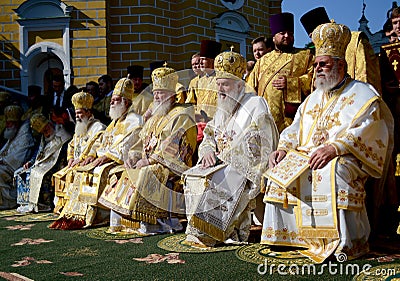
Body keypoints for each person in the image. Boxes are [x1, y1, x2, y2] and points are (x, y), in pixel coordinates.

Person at [261, 20, 393, 263]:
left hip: (347, 157)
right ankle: (289, 237)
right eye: (316, 65)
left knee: (332, 169)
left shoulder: (362, 93)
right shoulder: (312, 98)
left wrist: (335, 147)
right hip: (307, 154)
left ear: (340, 65)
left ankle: (342, 242)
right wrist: (282, 148)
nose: (318, 69)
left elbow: (370, 129)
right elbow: (294, 128)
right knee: (279, 168)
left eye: (324, 64)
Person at [183, 48, 279, 247]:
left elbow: (259, 141)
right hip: (220, 161)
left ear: (238, 85)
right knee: (192, 174)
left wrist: (226, 157)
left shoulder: (255, 103)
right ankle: (199, 229)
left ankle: (218, 231)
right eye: (218, 84)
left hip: (243, 166)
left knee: (219, 177)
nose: (219, 90)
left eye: (224, 85)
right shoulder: (223, 108)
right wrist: (208, 151)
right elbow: (209, 134)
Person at [99, 64, 197, 235]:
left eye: (162, 93)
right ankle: (125, 222)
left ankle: (154, 223)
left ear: (172, 95)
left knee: (147, 174)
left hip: (169, 166)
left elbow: (177, 146)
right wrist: (133, 156)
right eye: (156, 93)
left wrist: (149, 160)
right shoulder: (155, 116)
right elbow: (140, 141)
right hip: (147, 161)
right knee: (122, 172)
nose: (157, 96)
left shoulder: (181, 115)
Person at [55, 78, 143, 228]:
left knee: (97, 171)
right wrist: (91, 156)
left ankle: (94, 216)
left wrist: (104, 158)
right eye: (112, 100)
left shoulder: (134, 120)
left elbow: (128, 145)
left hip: (118, 161)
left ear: (126, 102)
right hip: (103, 159)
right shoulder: (114, 122)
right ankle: (75, 213)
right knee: (84, 170)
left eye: (115, 100)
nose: (112, 103)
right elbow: (100, 142)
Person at [247, 12, 314, 132]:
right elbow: (250, 88)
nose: (287, 36)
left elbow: (314, 79)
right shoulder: (263, 61)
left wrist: (291, 83)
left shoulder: (305, 56)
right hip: (264, 118)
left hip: (291, 119)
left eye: (290, 33)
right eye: (282, 33)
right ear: (273, 37)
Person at [49, 91, 106, 221]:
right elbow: (72, 145)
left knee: (75, 175)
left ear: (88, 112)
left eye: (80, 113)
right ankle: (64, 208)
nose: (77, 117)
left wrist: (80, 160)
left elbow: (97, 145)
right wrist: (70, 159)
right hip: (75, 163)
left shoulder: (98, 127)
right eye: (76, 114)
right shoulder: (80, 127)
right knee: (60, 174)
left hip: (88, 163)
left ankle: (80, 212)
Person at [300, 6, 382, 94]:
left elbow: (366, 75)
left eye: (314, 35)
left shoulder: (355, 40)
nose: (313, 40)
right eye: (311, 37)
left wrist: (362, 98)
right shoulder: (319, 51)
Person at [15, 113, 72, 213]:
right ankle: (28, 203)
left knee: (40, 175)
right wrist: (31, 161)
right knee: (21, 172)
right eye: (42, 132)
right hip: (43, 164)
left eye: (46, 130)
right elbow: (38, 152)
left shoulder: (63, 136)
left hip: (57, 165)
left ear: (49, 123)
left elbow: (65, 154)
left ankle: (44, 204)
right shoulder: (43, 138)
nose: (46, 134)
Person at [0, 106, 35, 210]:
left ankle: (8, 201)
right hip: (5, 164)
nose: (7, 125)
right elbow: (5, 150)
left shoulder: (25, 135)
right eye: (7, 122)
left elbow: (18, 157)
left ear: (16, 123)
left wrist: (2, 161)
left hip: (14, 167)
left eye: (10, 123)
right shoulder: (12, 133)